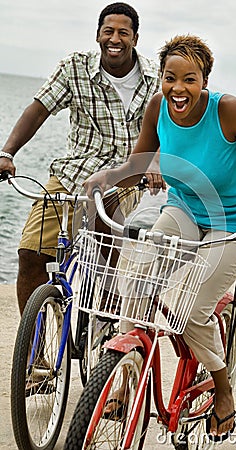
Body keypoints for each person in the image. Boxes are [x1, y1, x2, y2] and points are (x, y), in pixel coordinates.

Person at [83, 35, 236, 438]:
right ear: (160, 78)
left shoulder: (228, 111)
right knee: (136, 282)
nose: (178, 88)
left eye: (189, 79)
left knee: (193, 310)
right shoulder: (159, 106)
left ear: (204, 81)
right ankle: (125, 380)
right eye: (169, 78)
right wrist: (107, 177)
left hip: (233, 225)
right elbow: (138, 161)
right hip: (182, 211)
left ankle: (223, 389)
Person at [0, 2, 162, 315]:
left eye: (123, 33)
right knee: (30, 253)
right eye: (108, 31)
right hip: (73, 174)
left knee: (107, 258)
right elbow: (38, 110)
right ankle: (35, 352)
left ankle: (106, 326)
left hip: (126, 179)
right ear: (98, 35)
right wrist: (7, 153)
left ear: (135, 38)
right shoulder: (74, 68)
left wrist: (155, 163)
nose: (115, 39)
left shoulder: (155, 80)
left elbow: (170, 132)